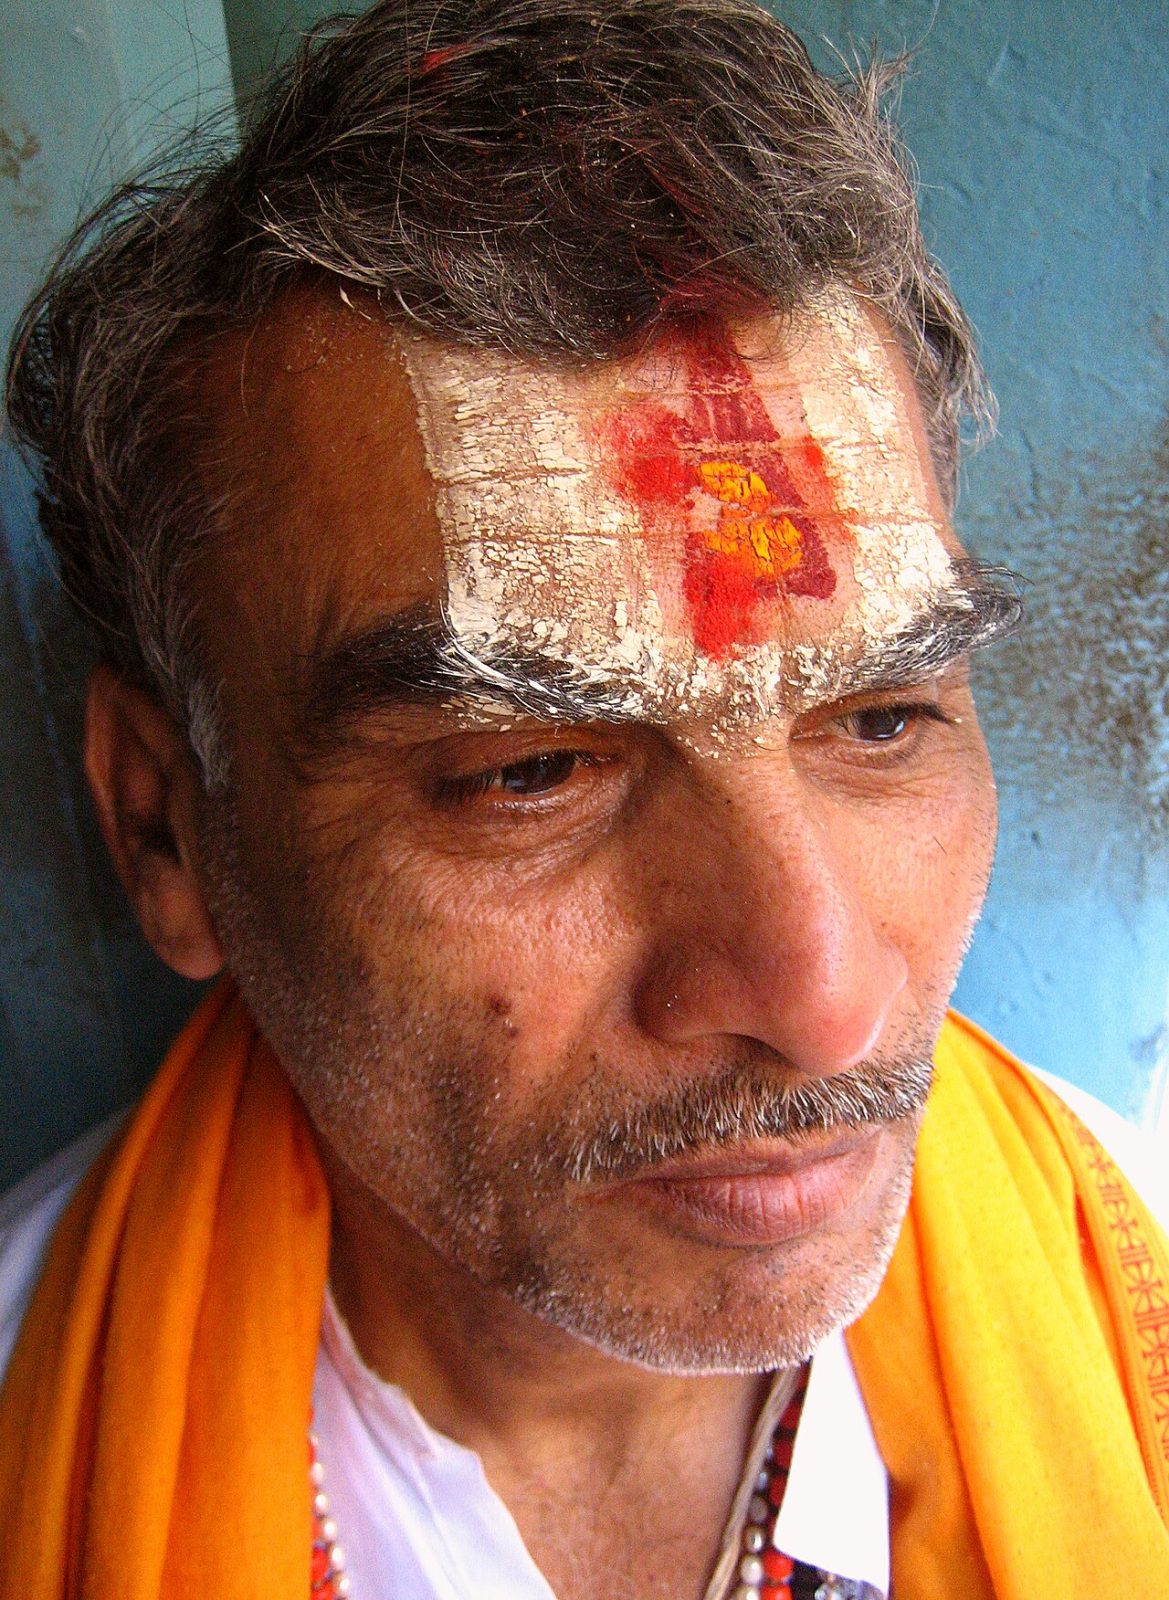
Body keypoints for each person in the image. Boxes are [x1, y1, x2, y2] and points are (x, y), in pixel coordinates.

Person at [0, 1, 1166, 1595]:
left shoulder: (1141, 1268)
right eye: (526, 771)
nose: (825, 1007)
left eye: (881, 718)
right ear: (164, 831)